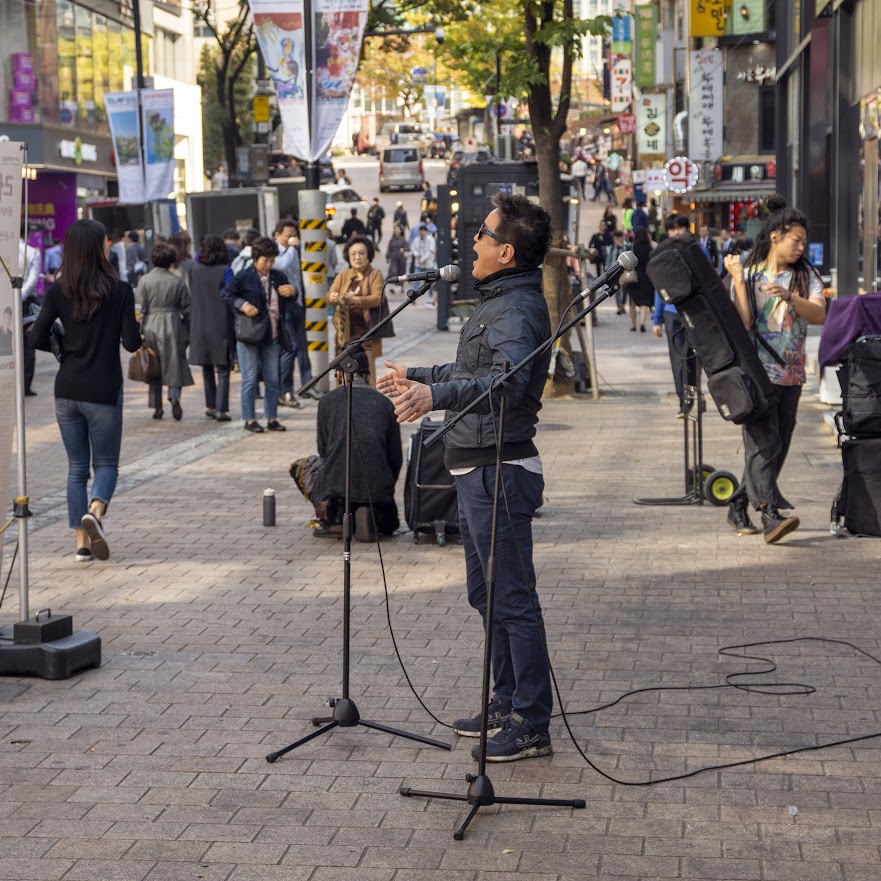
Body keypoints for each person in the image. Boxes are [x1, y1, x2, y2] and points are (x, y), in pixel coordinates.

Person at [377, 193, 554, 763]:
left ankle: (531, 720)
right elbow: (474, 370)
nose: (472, 242)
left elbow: (507, 382)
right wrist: (420, 376)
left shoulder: (517, 310)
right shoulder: (499, 302)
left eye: (482, 234)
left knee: (512, 598)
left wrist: (435, 395)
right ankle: (504, 700)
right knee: (487, 594)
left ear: (505, 251)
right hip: (476, 465)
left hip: (498, 469)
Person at [30, 219, 141, 562]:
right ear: (100, 247)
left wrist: (63, 346)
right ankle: (95, 512)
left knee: (77, 468)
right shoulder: (120, 290)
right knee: (106, 464)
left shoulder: (57, 290)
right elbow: (131, 343)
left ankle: (81, 544)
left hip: (67, 388)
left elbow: (35, 337)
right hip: (104, 388)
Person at [724, 194, 826, 544]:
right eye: (795, 240)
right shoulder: (750, 274)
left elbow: (820, 315)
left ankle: (737, 504)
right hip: (756, 375)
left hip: (792, 375)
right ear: (775, 237)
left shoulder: (805, 276)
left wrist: (789, 297)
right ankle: (769, 514)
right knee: (764, 445)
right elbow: (744, 323)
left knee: (775, 447)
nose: (801, 247)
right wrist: (737, 280)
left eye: (803, 242)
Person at [292, 347, 402, 541]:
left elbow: (324, 450)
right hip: (377, 486)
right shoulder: (385, 404)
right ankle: (370, 512)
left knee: (301, 466)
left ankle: (333, 517)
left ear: (340, 374)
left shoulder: (326, 402)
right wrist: (385, 485)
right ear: (367, 375)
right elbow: (395, 457)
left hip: (336, 486)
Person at [221, 236, 298, 433]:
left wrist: (293, 291)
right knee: (249, 378)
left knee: (273, 379)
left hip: (272, 335)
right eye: (265, 260)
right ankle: (249, 419)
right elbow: (226, 294)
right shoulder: (244, 277)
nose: (268, 265)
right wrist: (243, 305)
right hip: (249, 336)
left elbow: (291, 298)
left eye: (272, 260)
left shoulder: (278, 276)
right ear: (256, 259)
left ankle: (271, 417)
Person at [138, 240, 194, 421]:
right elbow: (187, 309)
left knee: (153, 365)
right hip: (172, 323)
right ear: (171, 260)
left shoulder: (144, 281)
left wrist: (139, 330)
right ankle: (174, 395)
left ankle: (157, 406)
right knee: (174, 363)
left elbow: (140, 309)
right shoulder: (177, 281)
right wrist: (187, 331)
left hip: (150, 325)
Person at [652, 214, 697, 418]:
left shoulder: (699, 251)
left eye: (680, 228)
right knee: (677, 360)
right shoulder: (663, 255)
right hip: (672, 314)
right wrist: (657, 319)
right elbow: (659, 288)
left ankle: (692, 394)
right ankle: (683, 401)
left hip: (696, 313)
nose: (676, 232)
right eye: (672, 229)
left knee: (693, 359)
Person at [185, 235, 234, 422]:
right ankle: (222, 409)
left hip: (198, 324)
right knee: (223, 369)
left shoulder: (194, 270)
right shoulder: (226, 271)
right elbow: (230, 294)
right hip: (221, 323)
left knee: (206, 368)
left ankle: (211, 406)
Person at [328, 234, 387, 386]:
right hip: (344, 336)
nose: (357, 257)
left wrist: (355, 300)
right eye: (353, 254)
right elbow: (328, 296)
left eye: (361, 253)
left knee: (368, 376)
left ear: (369, 255)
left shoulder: (375, 274)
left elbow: (377, 299)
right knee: (342, 377)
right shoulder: (343, 275)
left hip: (366, 335)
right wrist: (334, 296)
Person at [271, 218, 310, 408]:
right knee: (289, 348)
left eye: (295, 235)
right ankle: (284, 390)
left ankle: (307, 384)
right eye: (288, 236)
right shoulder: (277, 253)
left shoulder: (292, 252)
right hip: (283, 308)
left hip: (297, 303)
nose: (292, 239)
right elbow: (281, 267)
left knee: (301, 346)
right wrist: (293, 248)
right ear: (277, 235)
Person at [18, 226, 41, 396]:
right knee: (28, 346)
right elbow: (33, 279)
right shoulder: (33, 252)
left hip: (6, 301)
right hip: (27, 303)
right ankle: (25, 385)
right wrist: (21, 296)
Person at [626, 227, 655, 332]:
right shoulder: (649, 247)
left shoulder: (634, 247)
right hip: (646, 277)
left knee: (632, 302)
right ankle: (642, 323)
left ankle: (633, 325)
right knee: (644, 302)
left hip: (634, 277)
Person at [410, 225, 437, 305]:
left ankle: (430, 298)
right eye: (420, 231)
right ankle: (413, 297)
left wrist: (422, 259)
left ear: (426, 232)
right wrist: (417, 255)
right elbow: (413, 248)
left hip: (428, 265)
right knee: (416, 281)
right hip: (419, 265)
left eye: (423, 231)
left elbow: (430, 251)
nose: (421, 233)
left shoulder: (430, 239)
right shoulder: (416, 239)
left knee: (429, 282)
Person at [605, 230, 630, 315]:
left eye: (617, 238)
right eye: (614, 238)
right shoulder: (612, 247)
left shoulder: (627, 246)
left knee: (625, 289)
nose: (615, 240)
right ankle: (619, 306)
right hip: (615, 272)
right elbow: (609, 259)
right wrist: (607, 270)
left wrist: (622, 246)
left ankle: (622, 304)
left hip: (625, 271)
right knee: (616, 289)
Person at [385, 224, 409, 292]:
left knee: (401, 273)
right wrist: (387, 257)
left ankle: (401, 287)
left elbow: (407, 247)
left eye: (398, 229)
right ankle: (393, 286)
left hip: (401, 259)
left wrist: (403, 249)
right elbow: (389, 249)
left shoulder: (403, 239)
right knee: (393, 271)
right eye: (395, 229)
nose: (396, 230)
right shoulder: (392, 239)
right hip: (394, 258)